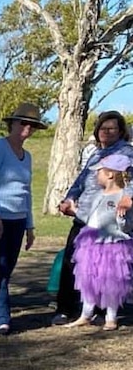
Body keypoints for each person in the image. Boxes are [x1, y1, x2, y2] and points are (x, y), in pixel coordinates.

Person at [0, 103, 45, 335]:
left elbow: (27, 191)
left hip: (17, 220)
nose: (27, 128)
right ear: (12, 124)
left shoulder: (28, 156)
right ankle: (2, 319)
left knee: (4, 271)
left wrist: (30, 225)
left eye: (32, 125)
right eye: (23, 123)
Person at [54, 111, 133, 325]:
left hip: (108, 217)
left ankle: (102, 311)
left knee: (106, 267)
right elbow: (80, 180)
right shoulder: (96, 153)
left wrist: (128, 198)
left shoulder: (126, 153)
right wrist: (69, 198)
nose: (105, 132)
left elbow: (130, 181)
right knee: (75, 262)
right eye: (102, 128)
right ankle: (67, 308)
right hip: (85, 216)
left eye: (111, 129)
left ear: (120, 131)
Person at [66, 154, 133, 331]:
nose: (97, 176)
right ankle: (85, 314)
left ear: (111, 174)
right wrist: (74, 211)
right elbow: (89, 217)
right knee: (88, 278)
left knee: (111, 281)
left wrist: (122, 219)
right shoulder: (97, 195)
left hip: (112, 246)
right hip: (90, 243)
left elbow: (126, 226)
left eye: (100, 172)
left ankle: (111, 317)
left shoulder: (123, 198)